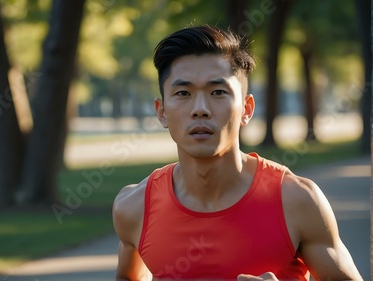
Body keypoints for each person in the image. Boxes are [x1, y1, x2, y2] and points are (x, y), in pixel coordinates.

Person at [112, 24, 363, 281]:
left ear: (246, 108)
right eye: (183, 93)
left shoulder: (297, 200)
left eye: (218, 92)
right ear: (162, 111)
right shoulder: (134, 207)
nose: (200, 109)